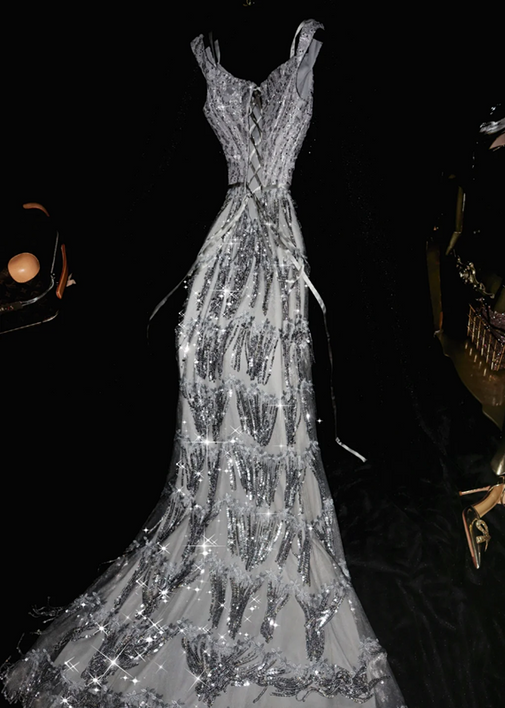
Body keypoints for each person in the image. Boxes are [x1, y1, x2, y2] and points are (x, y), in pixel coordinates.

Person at [2, 18, 406, 708]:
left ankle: (270, 519)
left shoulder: (316, 52)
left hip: (280, 254)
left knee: (277, 392)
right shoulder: (202, 53)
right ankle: (218, 510)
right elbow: (151, 182)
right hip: (221, 261)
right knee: (212, 391)